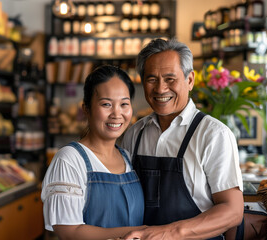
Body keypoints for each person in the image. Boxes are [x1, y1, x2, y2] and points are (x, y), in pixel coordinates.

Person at [121, 38, 244, 240]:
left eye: (170, 79)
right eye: (152, 79)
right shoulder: (135, 133)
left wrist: (168, 233)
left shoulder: (213, 135)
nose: (160, 89)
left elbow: (233, 211)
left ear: (190, 80)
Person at [41, 65, 147, 239]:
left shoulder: (127, 157)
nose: (117, 113)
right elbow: (69, 232)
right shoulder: (69, 159)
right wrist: (140, 233)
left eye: (124, 104)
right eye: (106, 104)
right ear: (86, 109)